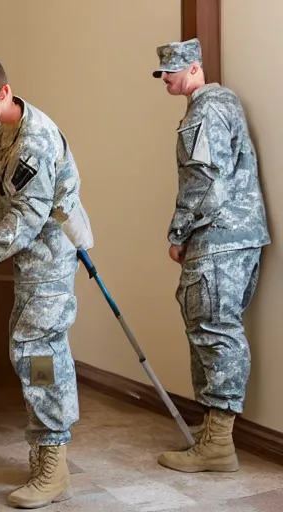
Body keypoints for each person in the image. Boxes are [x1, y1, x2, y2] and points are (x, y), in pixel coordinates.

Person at [0, 55, 93, 509]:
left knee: (36, 349)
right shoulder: (2, 131)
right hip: (28, 258)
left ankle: (53, 461)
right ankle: (47, 447)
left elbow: (22, 223)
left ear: (3, 92)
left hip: (48, 258)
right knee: (28, 346)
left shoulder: (34, 143)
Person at [152, 38, 270, 472]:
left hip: (218, 237)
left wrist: (178, 232)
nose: (165, 78)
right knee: (210, 328)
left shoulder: (208, 107)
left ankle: (218, 444)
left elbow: (203, 178)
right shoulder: (218, 105)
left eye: (172, 71)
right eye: (162, 72)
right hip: (234, 236)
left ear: (195, 68)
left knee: (214, 331)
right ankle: (213, 432)